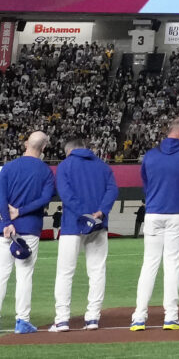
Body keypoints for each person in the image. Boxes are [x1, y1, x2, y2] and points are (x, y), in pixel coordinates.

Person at [128, 119, 179, 331]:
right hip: (177, 212)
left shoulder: (150, 155)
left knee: (149, 264)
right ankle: (171, 316)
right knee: (172, 265)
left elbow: (146, 184)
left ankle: (139, 317)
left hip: (154, 212)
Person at [0, 133, 53, 336]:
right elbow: (46, 198)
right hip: (29, 228)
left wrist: (7, 220)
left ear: (25, 144)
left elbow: (1, 196)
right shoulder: (46, 171)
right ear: (44, 148)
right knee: (24, 276)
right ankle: (22, 321)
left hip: (5, 229)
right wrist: (20, 213)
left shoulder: (9, 166)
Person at [49, 135, 115, 332]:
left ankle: (61, 319)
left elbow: (65, 193)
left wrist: (83, 214)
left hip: (72, 225)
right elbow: (112, 190)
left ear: (68, 150)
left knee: (65, 272)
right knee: (97, 270)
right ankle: (93, 317)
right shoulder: (103, 166)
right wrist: (100, 212)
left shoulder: (65, 166)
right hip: (98, 224)